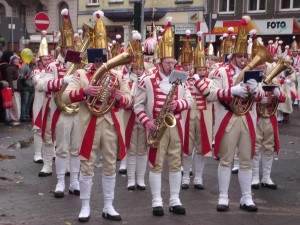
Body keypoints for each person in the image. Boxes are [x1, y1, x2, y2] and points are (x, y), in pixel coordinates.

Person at [62, 10, 130, 222]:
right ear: (91, 54)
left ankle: (109, 206)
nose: (101, 59)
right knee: (87, 165)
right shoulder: (81, 74)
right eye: (96, 54)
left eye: (103, 54)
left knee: (110, 165)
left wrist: (119, 96)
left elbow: (129, 100)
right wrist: (84, 92)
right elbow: (65, 97)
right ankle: (85, 206)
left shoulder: (117, 75)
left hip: (110, 123)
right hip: (88, 124)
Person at [201, 16, 263, 212]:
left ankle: (246, 197)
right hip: (228, 118)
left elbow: (261, 98)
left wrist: (255, 90)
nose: (244, 59)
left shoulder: (253, 73)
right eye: (240, 56)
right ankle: (223, 196)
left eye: (245, 56)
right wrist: (232, 91)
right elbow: (210, 95)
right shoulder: (220, 72)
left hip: (247, 118)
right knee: (226, 159)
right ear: (233, 56)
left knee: (247, 159)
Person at [134, 17, 193, 217]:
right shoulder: (147, 79)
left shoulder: (180, 78)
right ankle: (157, 201)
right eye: (168, 63)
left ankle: (175, 199)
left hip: (175, 125)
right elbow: (138, 105)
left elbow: (190, 100)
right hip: (156, 127)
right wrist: (147, 122)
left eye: (173, 62)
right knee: (156, 164)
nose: (171, 66)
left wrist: (180, 104)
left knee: (176, 162)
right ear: (160, 62)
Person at [43, 9, 80, 197]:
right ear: (60, 48)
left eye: (71, 46)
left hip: (78, 111)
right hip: (60, 111)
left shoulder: (78, 63)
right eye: (66, 47)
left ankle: (74, 182)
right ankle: (60, 183)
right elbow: (43, 85)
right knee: (62, 148)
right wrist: (60, 82)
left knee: (76, 149)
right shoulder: (52, 65)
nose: (69, 50)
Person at [182, 30, 213, 190]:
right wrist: (190, 80)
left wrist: (197, 81)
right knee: (187, 147)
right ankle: (186, 176)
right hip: (188, 115)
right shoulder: (186, 79)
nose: (201, 72)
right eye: (198, 69)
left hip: (202, 115)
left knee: (201, 148)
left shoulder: (208, 81)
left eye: (203, 69)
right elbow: (182, 91)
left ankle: (199, 178)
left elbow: (208, 95)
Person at [252, 62, 287, 190]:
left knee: (269, 147)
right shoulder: (252, 81)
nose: (262, 69)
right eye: (259, 67)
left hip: (270, 118)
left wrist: (277, 94)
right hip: (256, 118)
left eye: (263, 67)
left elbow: (284, 98)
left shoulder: (274, 80)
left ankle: (266, 177)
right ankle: (254, 177)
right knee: (255, 147)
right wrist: (258, 99)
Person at [123, 31, 148, 190]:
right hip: (131, 118)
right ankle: (131, 179)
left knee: (143, 149)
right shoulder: (126, 81)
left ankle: (140, 179)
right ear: (131, 69)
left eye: (141, 69)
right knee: (131, 149)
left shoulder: (148, 81)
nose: (139, 71)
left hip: (144, 119)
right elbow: (125, 101)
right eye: (136, 69)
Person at [34, 32, 54, 176]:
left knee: (52, 130)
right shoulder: (37, 71)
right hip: (40, 103)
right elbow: (37, 82)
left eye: (48, 58)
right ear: (40, 61)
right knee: (38, 129)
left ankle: (52, 155)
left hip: (51, 104)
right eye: (44, 59)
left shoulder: (53, 70)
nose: (47, 61)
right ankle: (37, 154)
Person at [19, 56, 36, 122]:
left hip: (32, 87)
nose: (35, 60)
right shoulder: (24, 66)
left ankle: (27, 115)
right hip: (26, 87)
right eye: (34, 59)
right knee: (24, 103)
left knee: (29, 103)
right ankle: (23, 116)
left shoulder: (34, 67)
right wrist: (26, 81)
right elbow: (21, 77)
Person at [5, 55, 21, 125]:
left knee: (16, 105)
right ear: (12, 60)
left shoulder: (15, 68)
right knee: (13, 105)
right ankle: (13, 119)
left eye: (18, 59)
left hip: (16, 89)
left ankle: (15, 118)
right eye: (15, 59)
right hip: (13, 89)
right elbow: (9, 80)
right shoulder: (10, 68)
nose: (17, 61)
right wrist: (12, 90)